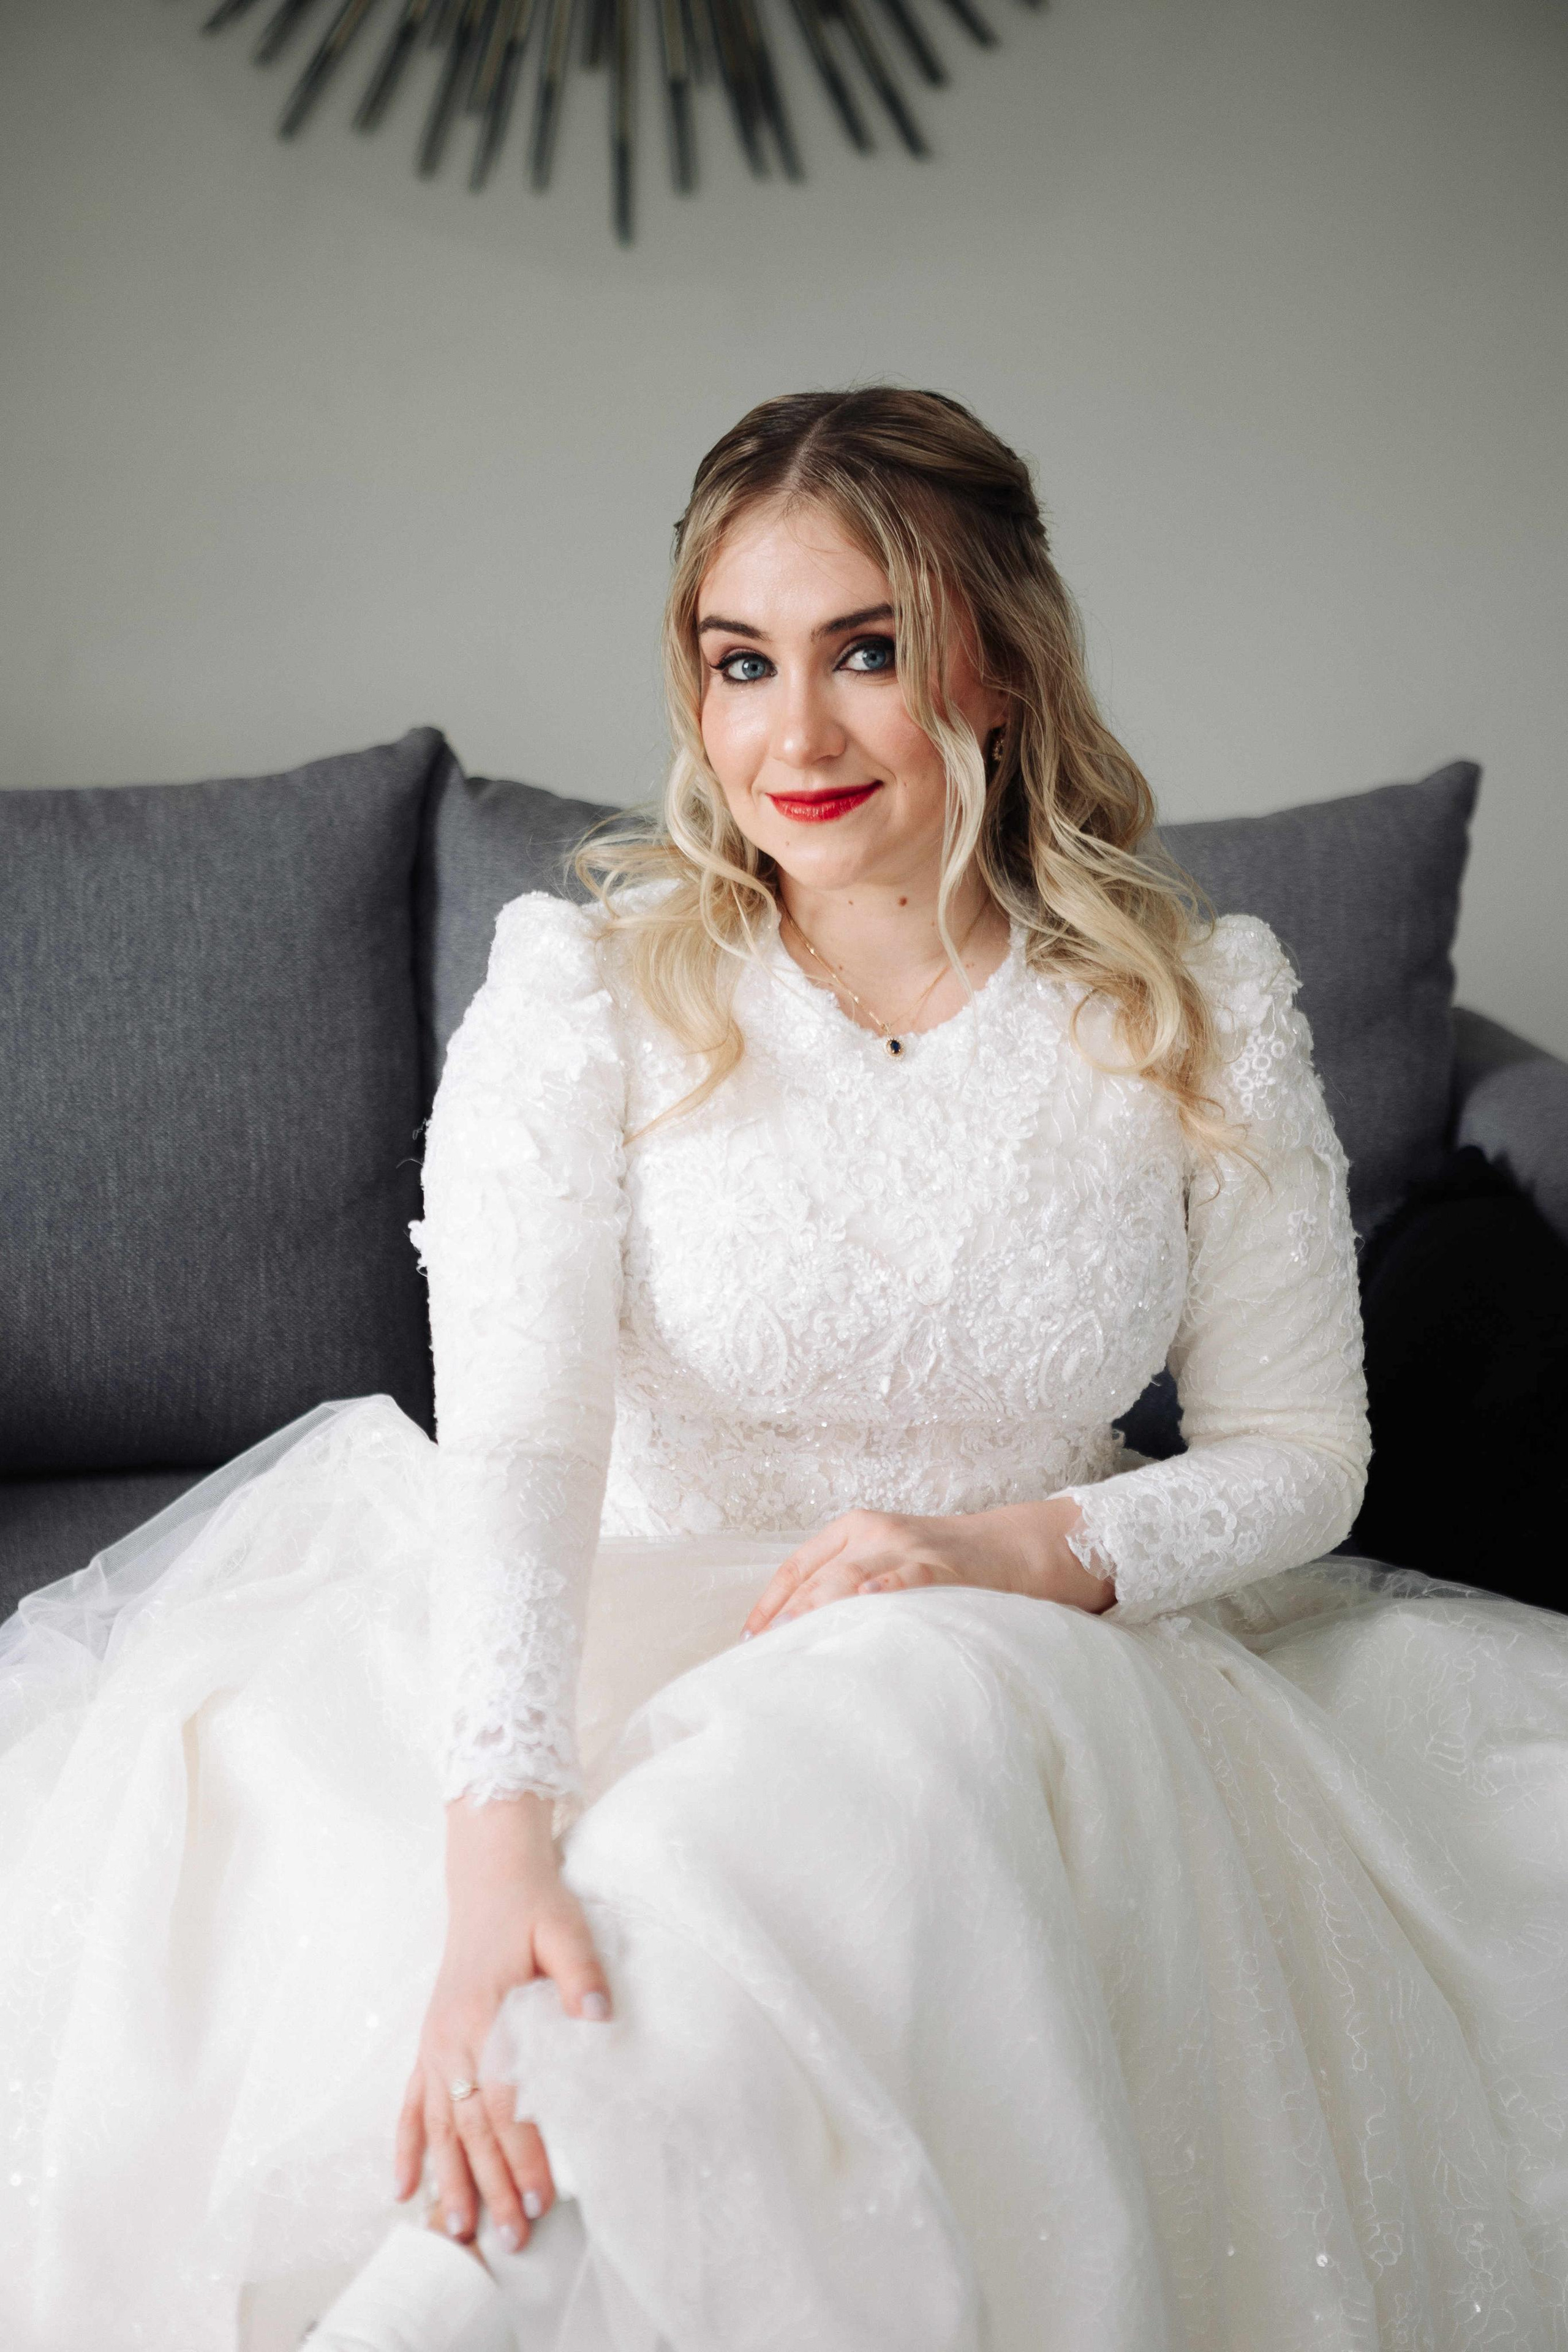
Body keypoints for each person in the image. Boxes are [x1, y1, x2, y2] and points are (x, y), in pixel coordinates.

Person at [2, 388, 1564, 2352]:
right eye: (742, 664)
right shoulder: (584, 992)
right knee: (610, 1977)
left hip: (1043, 1677)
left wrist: (1009, 1552)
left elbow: (1299, 1454)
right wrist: (493, 1851)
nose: (793, 737)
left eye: (868, 653)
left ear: (995, 664)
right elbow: (523, 1437)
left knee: (910, 1717)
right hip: (630, 1638)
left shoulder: (1196, 1000)